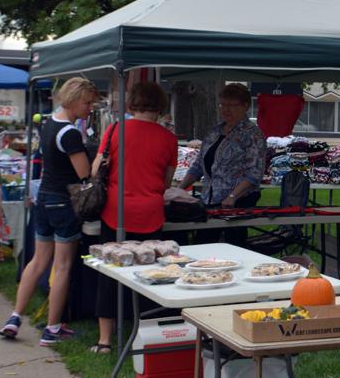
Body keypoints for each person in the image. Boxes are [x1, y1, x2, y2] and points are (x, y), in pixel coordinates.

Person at [0, 77, 100, 347]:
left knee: (38, 261)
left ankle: (14, 316)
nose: (90, 108)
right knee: (63, 266)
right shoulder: (69, 132)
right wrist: (99, 160)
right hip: (63, 203)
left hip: (43, 198)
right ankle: (52, 328)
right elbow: (83, 173)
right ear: (76, 100)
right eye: (88, 102)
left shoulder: (49, 124)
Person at [91, 82, 178, 354]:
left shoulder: (115, 130)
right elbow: (167, 181)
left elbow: (96, 170)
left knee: (110, 273)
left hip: (116, 212)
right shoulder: (168, 139)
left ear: (132, 103)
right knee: (151, 272)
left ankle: (105, 339)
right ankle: (146, 332)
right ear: (161, 105)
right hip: (151, 211)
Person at [177, 83, 266, 247]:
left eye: (231, 105)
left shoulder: (253, 134)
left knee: (233, 248)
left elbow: (254, 174)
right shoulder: (214, 131)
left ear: (245, 106)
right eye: (222, 105)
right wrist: (179, 188)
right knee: (202, 245)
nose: (225, 109)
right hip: (209, 200)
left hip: (236, 202)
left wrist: (233, 196)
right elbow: (198, 166)